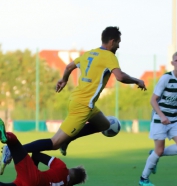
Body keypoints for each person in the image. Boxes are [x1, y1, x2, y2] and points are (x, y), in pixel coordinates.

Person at [1, 26, 147, 171]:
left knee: (104, 124)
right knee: (55, 142)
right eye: (118, 43)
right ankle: (13, 150)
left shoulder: (90, 53)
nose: (118, 46)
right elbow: (120, 77)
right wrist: (137, 81)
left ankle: (68, 140)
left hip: (82, 102)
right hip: (82, 106)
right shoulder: (109, 56)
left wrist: (64, 80)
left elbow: (69, 66)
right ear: (112, 41)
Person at [0, 118, 86, 186]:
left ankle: (6, 138)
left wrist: (33, 166)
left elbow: (37, 155)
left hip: (35, 177)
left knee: (14, 142)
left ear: (71, 169)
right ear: (71, 185)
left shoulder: (62, 167)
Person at [139, 51, 177, 186]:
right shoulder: (165, 78)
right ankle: (144, 178)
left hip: (173, 119)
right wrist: (162, 116)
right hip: (159, 118)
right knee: (160, 150)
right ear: (172, 63)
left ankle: (154, 154)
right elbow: (153, 100)